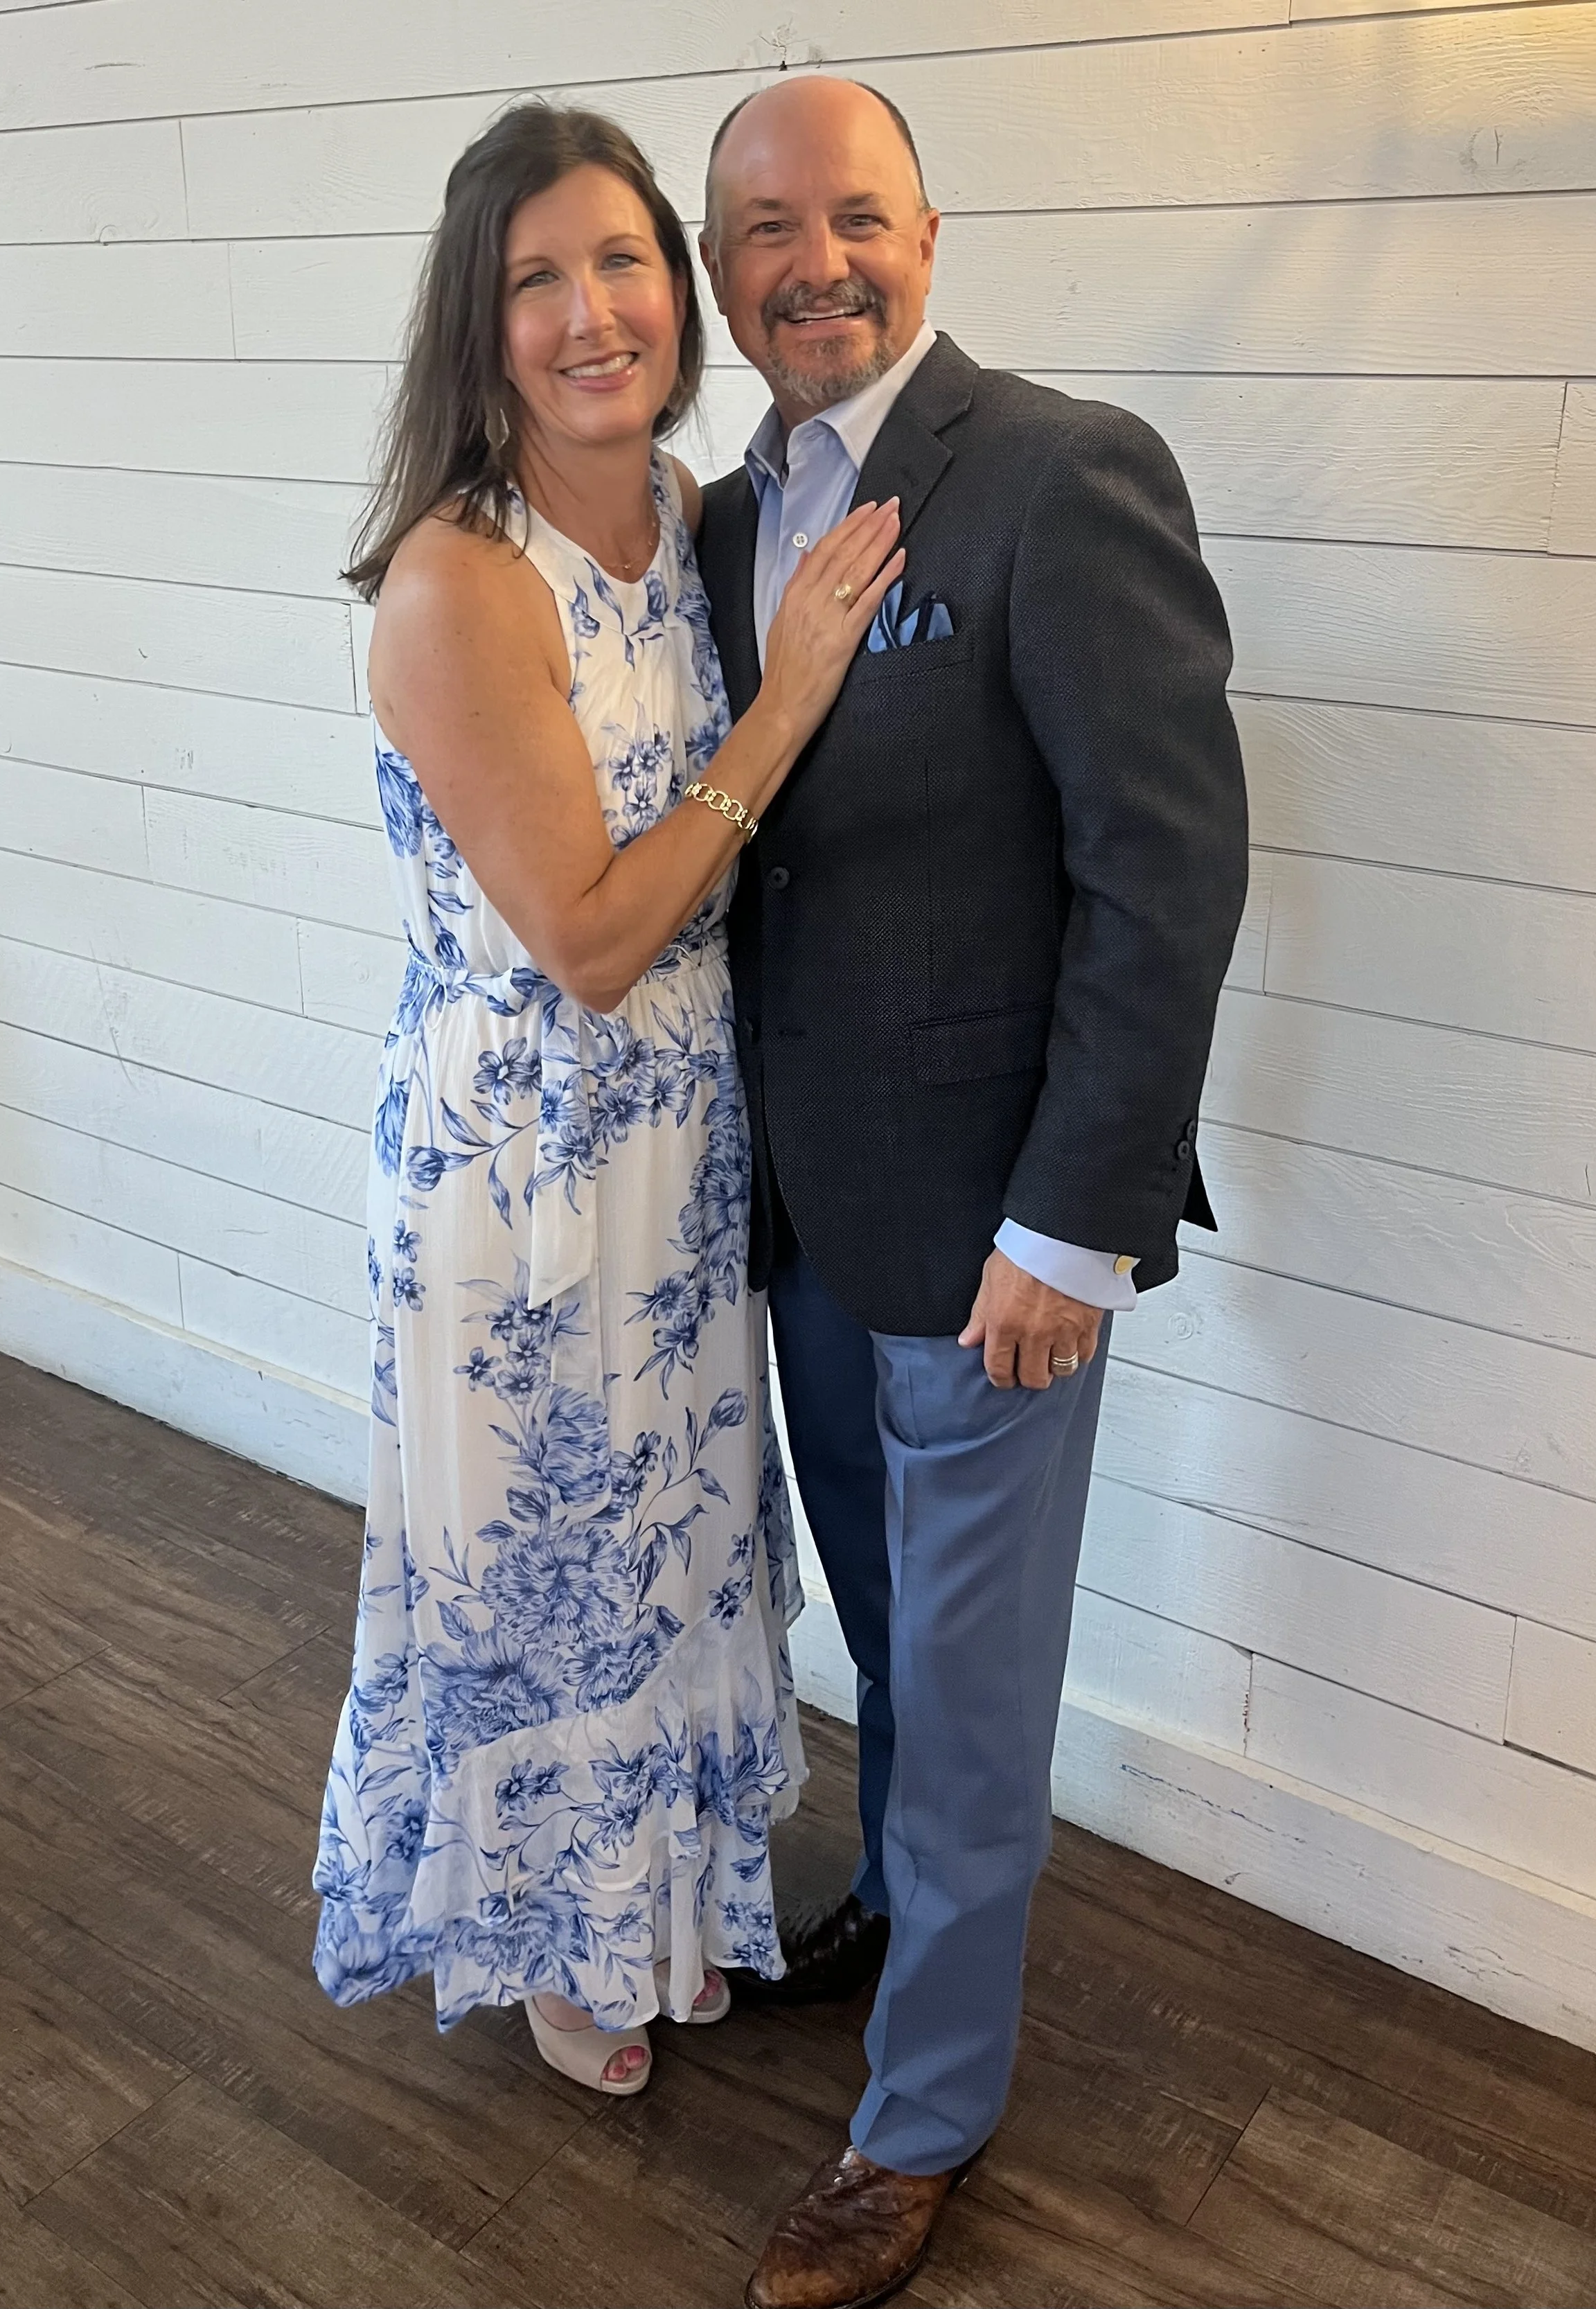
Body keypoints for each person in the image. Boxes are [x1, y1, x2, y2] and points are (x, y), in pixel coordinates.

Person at [696, 76, 1250, 2307]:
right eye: (763, 227)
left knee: (974, 1678)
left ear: (928, 235)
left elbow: (1164, 871)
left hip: (995, 1239)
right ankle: (899, 1913)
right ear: (719, 269)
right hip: (809, 1221)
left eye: (854, 214)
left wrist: (1071, 1222)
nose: (812, 260)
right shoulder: (717, 519)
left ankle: (918, 2118)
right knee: (891, 1638)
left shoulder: (1056, 473)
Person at [310, 104, 905, 2098]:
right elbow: (584, 933)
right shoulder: (463, 579)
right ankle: (562, 1943)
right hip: (524, 1156)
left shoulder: (687, 511)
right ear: (477, 329)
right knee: (542, 1559)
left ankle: (660, 1902)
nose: (592, 314)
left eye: (623, 261)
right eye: (536, 281)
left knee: (672, 1534)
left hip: (681, 1147)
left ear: (679, 282)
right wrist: (790, 697)